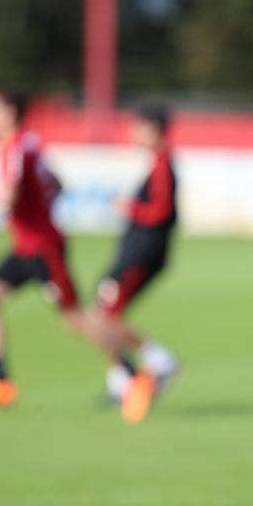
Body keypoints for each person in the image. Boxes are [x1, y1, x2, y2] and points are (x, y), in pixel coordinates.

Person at [0, 93, 117, 411]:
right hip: (27, 246)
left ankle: (133, 373)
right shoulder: (30, 143)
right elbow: (57, 184)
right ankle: (0, 381)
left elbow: (9, 200)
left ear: (8, 113)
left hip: (43, 249)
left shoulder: (14, 147)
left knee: (75, 319)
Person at [95, 106, 180, 424]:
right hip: (137, 252)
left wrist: (129, 206)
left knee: (104, 315)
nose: (134, 133)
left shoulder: (163, 165)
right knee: (103, 310)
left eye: (139, 127)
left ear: (155, 130)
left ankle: (157, 363)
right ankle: (121, 381)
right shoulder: (159, 163)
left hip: (142, 253)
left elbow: (159, 212)